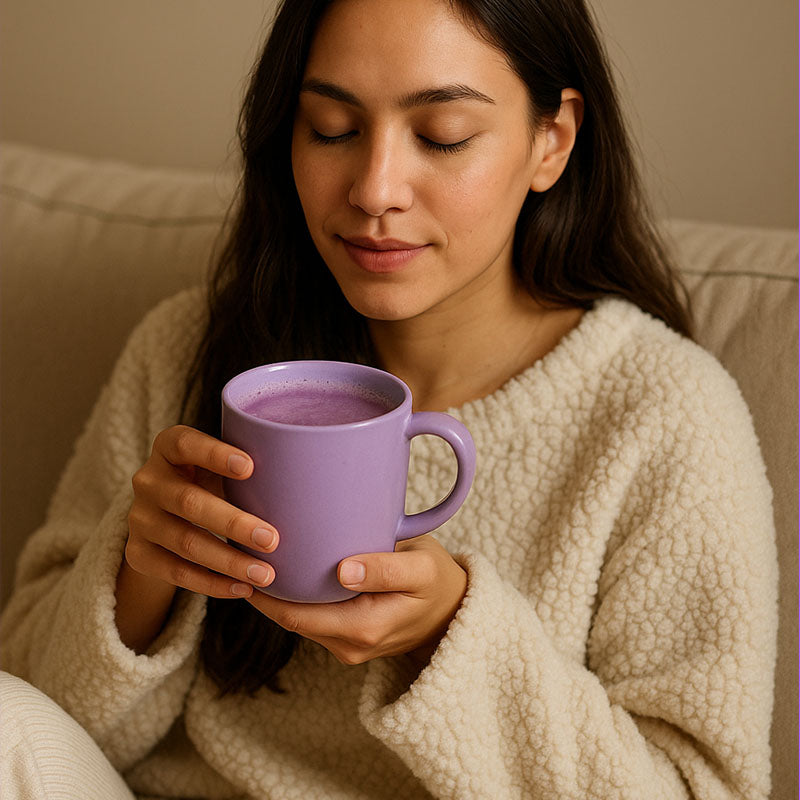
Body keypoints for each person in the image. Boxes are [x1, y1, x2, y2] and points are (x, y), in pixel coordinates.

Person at [0, 0, 778, 798]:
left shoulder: (662, 414)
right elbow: (33, 711)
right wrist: (141, 573)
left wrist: (447, 635)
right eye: (332, 128)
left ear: (553, 139)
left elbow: (699, 789)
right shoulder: (192, 350)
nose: (374, 190)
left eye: (442, 136)